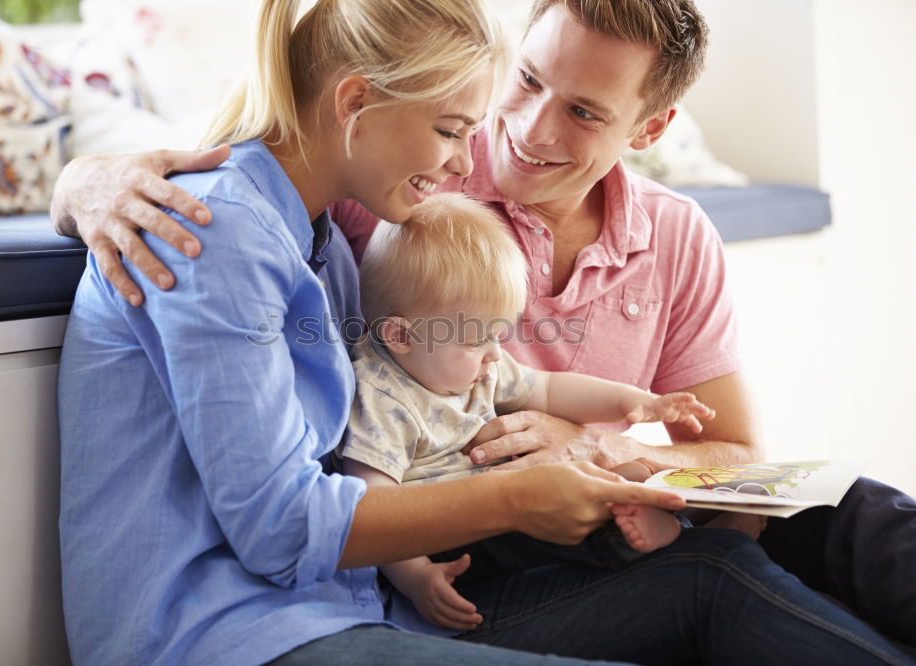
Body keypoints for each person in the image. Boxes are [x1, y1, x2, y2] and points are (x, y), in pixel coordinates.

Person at [52, 0, 916, 662]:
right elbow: (259, 143)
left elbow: (733, 451)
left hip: (401, 573)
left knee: (844, 509)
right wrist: (84, 180)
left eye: (584, 112)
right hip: (372, 579)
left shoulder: (341, 230)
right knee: (726, 581)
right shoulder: (381, 208)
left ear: (649, 131)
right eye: (523, 87)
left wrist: (599, 453)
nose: (497, 146)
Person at [340, 192, 770, 631]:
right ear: (400, 336)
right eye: (475, 341)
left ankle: (663, 516)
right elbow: (373, 506)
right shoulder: (380, 398)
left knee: (605, 479)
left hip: (501, 503)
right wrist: (415, 577)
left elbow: (549, 388)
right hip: (452, 537)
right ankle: (682, 538)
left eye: (499, 336)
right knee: (570, 517)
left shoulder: (472, 362)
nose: (494, 356)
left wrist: (634, 401)